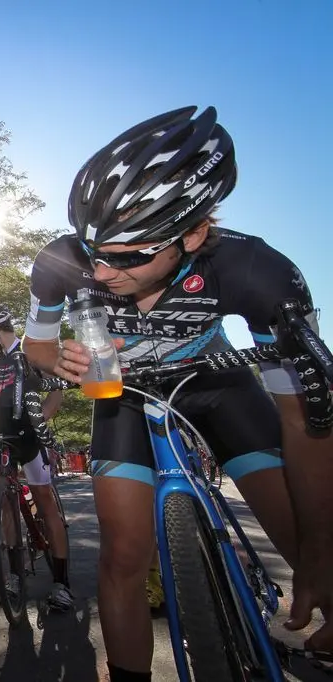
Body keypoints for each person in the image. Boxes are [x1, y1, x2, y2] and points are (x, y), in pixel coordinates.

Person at [22, 106, 328, 679]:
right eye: (96, 252)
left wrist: (318, 549)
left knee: (308, 536)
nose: (104, 273)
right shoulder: (60, 263)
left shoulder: (258, 271)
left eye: (128, 256)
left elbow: (303, 418)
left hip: (219, 384)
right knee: (122, 557)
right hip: (123, 394)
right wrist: (64, 364)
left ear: (193, 233)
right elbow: (36, 349)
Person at [0, 304, 69, 608]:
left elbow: (57, 393)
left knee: (44, 501)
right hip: (2, 437)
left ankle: (61, 583)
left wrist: (39, 422)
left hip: (30, 438)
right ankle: (14, 574)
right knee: (7, 506)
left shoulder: (31, 354)